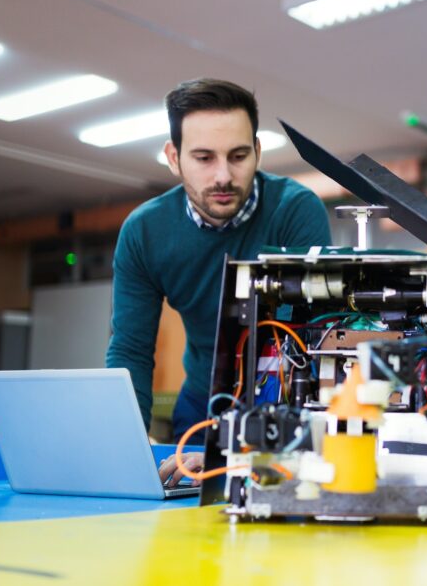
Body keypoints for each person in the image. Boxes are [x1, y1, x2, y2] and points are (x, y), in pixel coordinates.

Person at [105, 78, 331, 482]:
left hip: (281, 399)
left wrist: (245, 453)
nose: (223, 176)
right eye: (204, 157)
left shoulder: (295, 210)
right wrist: (128, 449)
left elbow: (312, 338)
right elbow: (130, 349)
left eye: (238, 155)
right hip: (202, 404)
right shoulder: (144, 232)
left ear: (258, 152)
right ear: (174, 158)